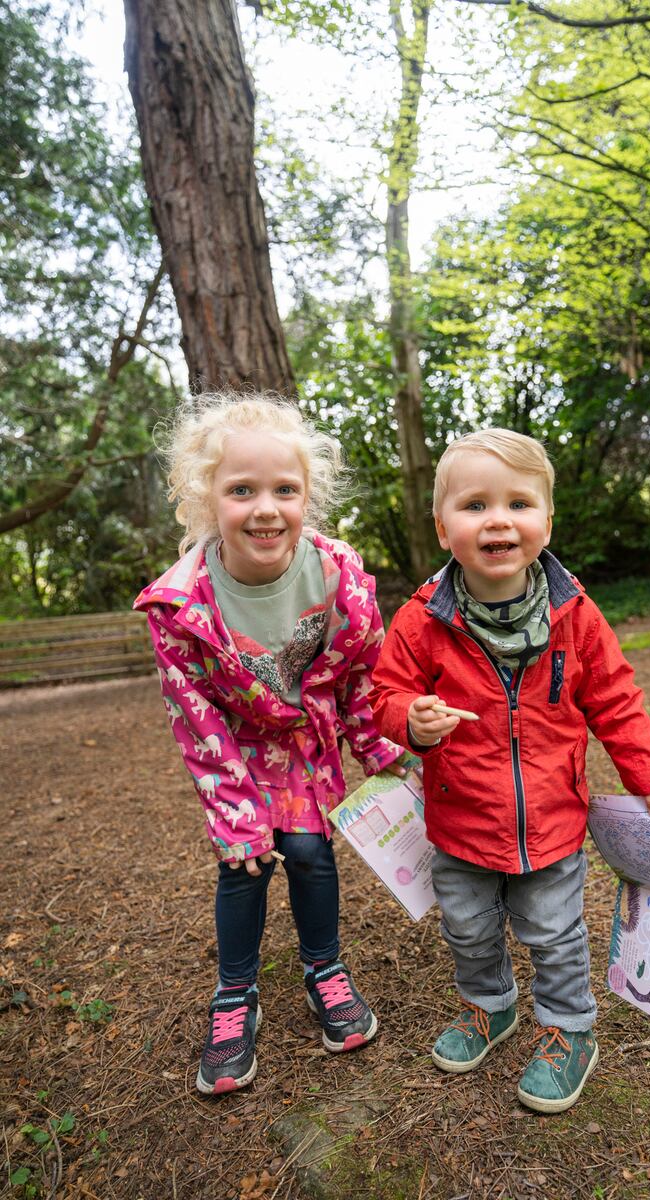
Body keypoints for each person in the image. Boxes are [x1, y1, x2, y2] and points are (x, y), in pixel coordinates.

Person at [369, 428, 650, 1114]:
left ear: (546, 519)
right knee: (469, 928)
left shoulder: (575, 614)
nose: (499, 519)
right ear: (444, 525)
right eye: (475, 505)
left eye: (519, 502)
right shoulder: (423, 620)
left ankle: (570, 1030)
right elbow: (385, 693)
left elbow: (615, 698)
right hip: (459, 818)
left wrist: (647, 771)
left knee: (554, 934)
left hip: (552, 818)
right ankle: (490, 1007)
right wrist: (409, 721)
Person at [134, 393, 404, 1095]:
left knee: (310, 852)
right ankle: (235, 995)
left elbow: (359, 672)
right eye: (241, 490)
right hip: (235, 745)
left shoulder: (337, 573)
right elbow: (196, 717)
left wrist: (380, 750)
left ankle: (325, 969)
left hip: (306, 739)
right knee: (244, 864)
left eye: (285, 490)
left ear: (307, 497)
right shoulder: (181, 603)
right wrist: (236, 815)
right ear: (205, 501)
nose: (265, 508)